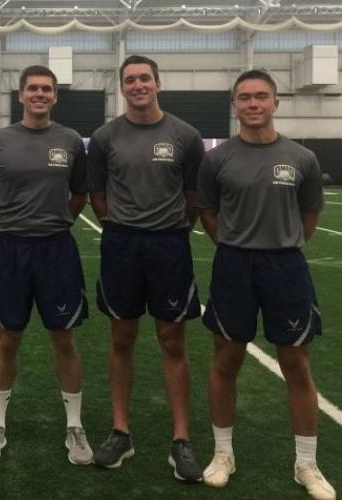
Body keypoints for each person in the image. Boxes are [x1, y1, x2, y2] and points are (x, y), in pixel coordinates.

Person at [198, 69, 336, 500]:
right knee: (226, 361)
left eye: (261, 96)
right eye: (245, 98)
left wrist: (280, 245)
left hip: (286, 268)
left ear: (276, 102)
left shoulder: (302, 159)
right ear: (234, 106)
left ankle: (306, 464)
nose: (253, 104)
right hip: (233, 265)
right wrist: (239, 246)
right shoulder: (216, 160)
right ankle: (223, 454)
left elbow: (309, 216)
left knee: (296, 364)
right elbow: (208, 213)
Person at [86, 55, 204, 482]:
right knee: (122, 337)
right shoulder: (103, 137)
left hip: (170, 246)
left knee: (172, 339)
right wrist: (122, 227)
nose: (138, 85)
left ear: (158, 83)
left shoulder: (185, 136)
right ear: (122, 87)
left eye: (144, 79)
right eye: (130, 80)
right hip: (121, 246)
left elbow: (193, 195)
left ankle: (181, 440)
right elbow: (97, 195)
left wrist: (170, 229)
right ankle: (121, 432)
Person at [0, 65, 91, 464]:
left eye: (47, 89)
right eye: (33, 88)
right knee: (8, 337)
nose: (40, 94)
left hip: (57, 250)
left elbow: (80, 194)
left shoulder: (71, 140)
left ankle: (75, 427)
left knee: (64, 338)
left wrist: (56, 224)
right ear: (20, 95)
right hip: (11, 251)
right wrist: (9, 224)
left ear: (55, 96)